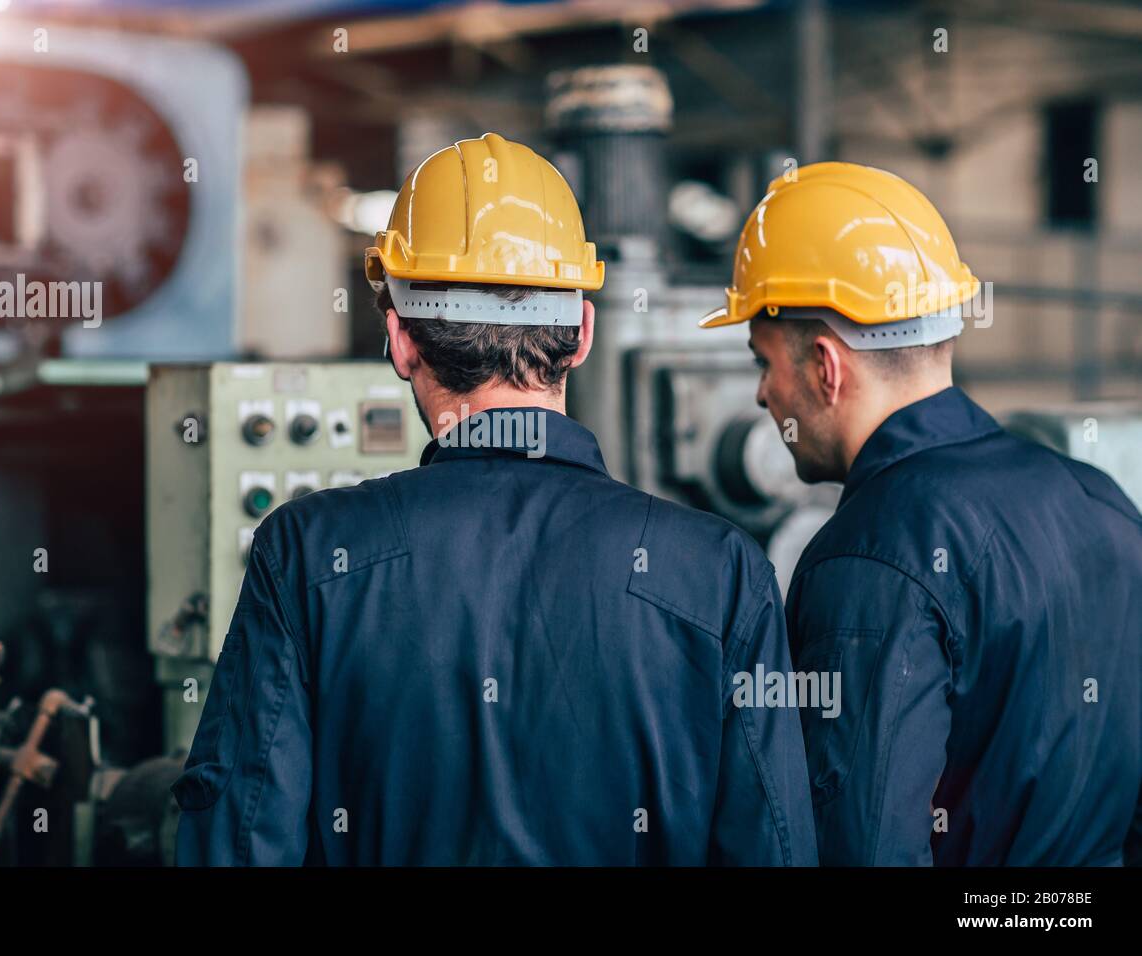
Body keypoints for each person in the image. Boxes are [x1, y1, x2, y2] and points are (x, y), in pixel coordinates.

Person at [172, 133, 816, 865]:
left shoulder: (309, 554)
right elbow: (773, 846)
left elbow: (239, 842)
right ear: (580, 334)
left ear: (400, 340)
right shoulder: (721, 571)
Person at [701, 161, 1142, 865]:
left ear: (825, 367)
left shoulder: (866, 560)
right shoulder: (1103, 503)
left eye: (763, 363)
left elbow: (866, 847)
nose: (761, 396)